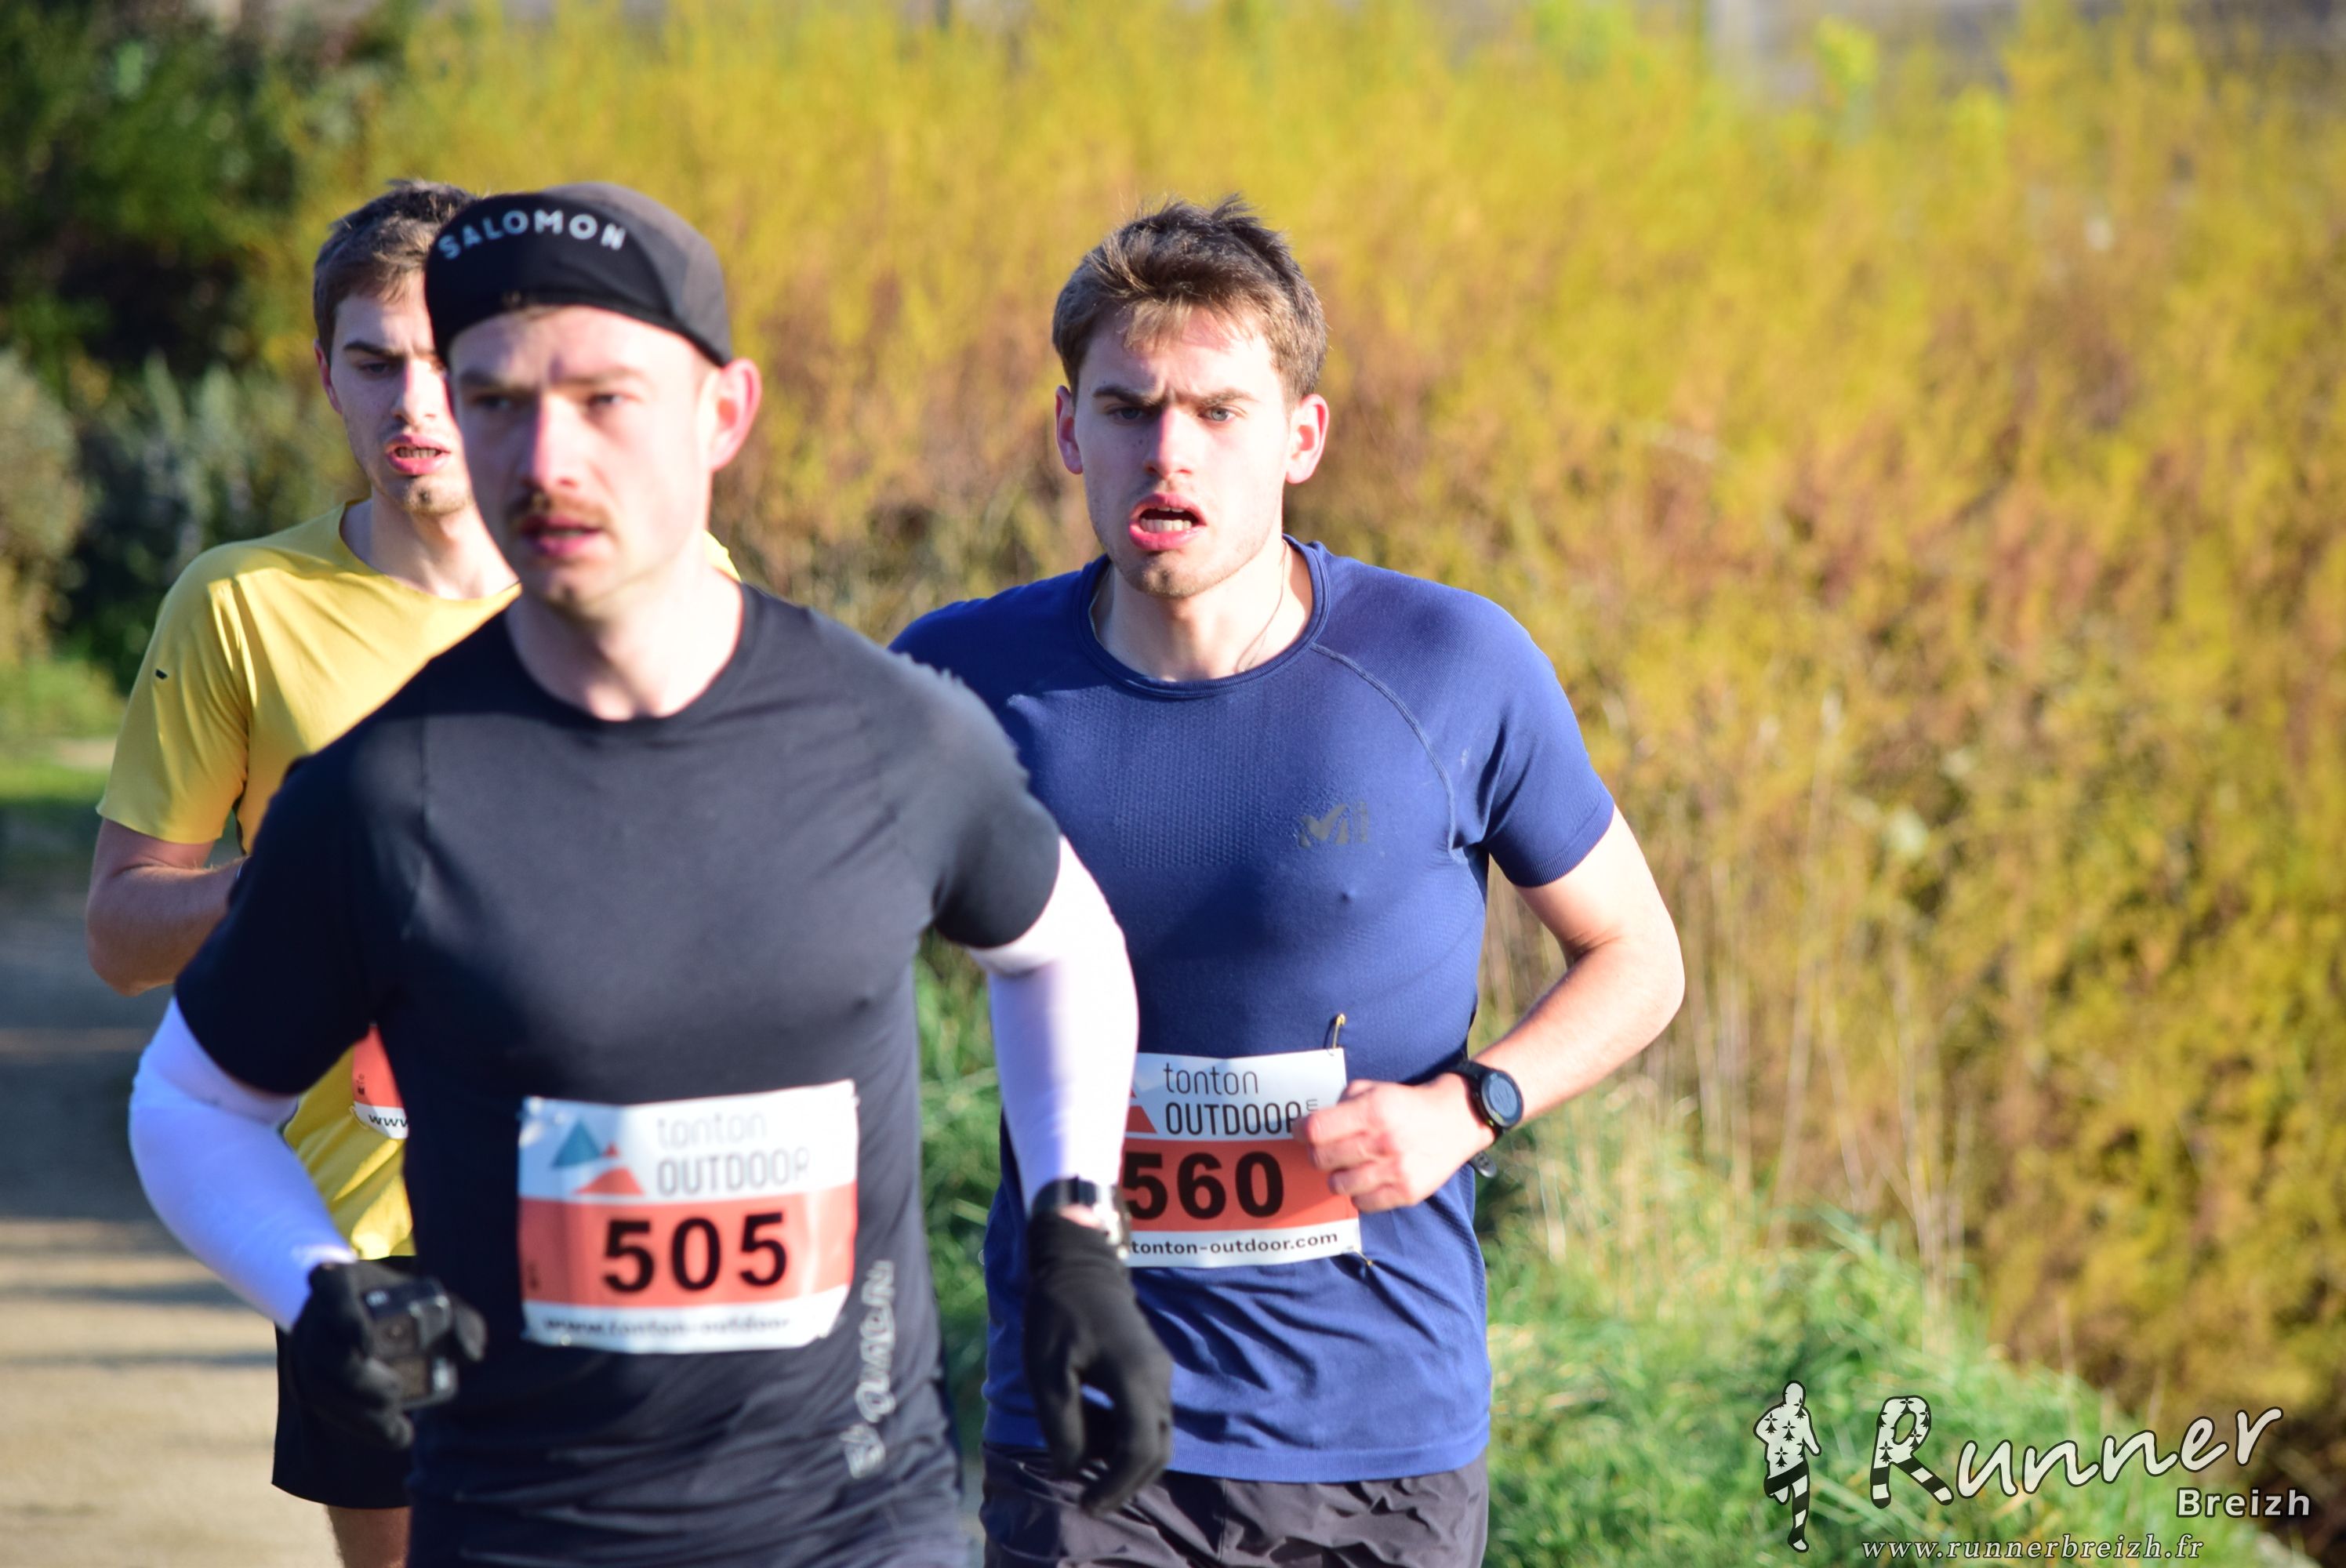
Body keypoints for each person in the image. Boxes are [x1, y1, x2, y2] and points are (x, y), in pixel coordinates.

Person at [125, 182, 1171, 1566]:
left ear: (722, 413)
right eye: (497, 400)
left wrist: (1076, 1228)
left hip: (857, 1521)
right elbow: (192, 1100)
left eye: (603, 398)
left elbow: (1062, 947)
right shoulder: (385, 794)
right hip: (523, 1529)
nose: (544, 457)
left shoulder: (887, 734)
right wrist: (317, 1288)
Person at [894, 198, 1687, 1568]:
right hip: (1081, 1425)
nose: (1170, 451)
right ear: (1069, 431)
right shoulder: (962, 680)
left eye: (1220, 412)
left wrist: (1474, 1107)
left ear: (1302, 438)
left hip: (1373, 1433)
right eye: (1129, 409)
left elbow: (1641, 958)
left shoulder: (1450, 665)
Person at [89, 179, 521, 1568]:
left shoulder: (649, 581)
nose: (414, 402)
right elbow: (120, 935)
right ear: (324, 373)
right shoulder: (240, 604)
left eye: (446, 360)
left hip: (603, 1207)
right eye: (374, 362)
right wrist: (300, 881)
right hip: (357, 1242)